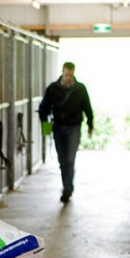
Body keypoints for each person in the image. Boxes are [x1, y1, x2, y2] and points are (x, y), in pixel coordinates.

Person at [38, 62, 94, 203]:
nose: (68, 78)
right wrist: (45, 126)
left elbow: (87, 107)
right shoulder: (53, 88)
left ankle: (67, 188)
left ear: (74, 74)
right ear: (62, 73)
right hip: (58, 127)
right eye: (66, 75)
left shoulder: (80, 89)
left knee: (70, 159)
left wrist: (90, 124)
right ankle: (67, 186)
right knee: (62, 160)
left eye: (70, 75)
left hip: (74, 127)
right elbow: (44, 107)